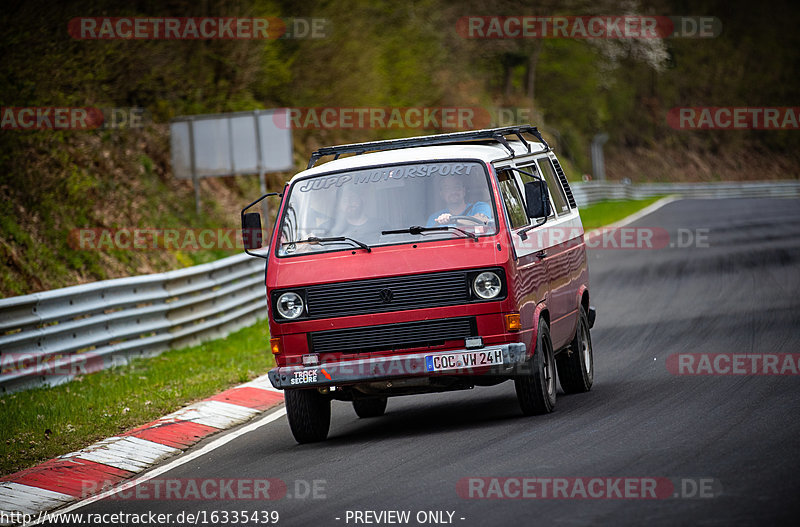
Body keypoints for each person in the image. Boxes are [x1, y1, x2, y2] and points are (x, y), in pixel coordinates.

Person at [426, 176, 492, 227]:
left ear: (464, 190)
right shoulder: (434, 218)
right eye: (447, 188)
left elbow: (482, 221)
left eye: (457, 187)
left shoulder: (480, 207)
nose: (453, 192)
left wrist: (453, 220)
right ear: (442, 194)